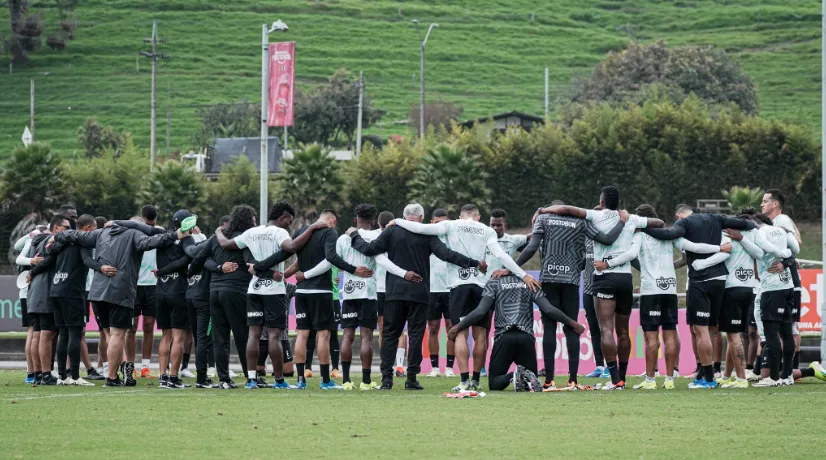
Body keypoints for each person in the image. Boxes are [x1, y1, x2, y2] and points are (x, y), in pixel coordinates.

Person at [391, 203, 539, 392]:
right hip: (481, 287)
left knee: (460, 332)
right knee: (480, 335)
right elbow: (501, 255)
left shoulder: (451, 224)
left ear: (461, 216)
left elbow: (421, 228)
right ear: (477, 217)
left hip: (458, 287)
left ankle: (464, 381)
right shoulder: (487, 230)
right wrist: (522, 274)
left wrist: (398, 221)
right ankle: (476, 379)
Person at [538, 186, 663, 390]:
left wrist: (543, 210)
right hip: (625, 279)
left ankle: (615, 379)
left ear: (602, 202)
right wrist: (634, 225)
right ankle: (623, 377)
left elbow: (567, 209)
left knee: (606, 328)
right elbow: (659, 223)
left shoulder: (595, 215)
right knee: (623, 331)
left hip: (604, 277)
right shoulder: (630, 218)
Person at [348, 203, 485, 391]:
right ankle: (411, 378)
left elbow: (370, 249)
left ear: (405, 216)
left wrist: (354, 235)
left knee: (389, 335)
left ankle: (386, 379)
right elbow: (446, 254)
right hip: (419, 293)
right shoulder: (426, 234)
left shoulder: (391, 231)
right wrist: (473, 263)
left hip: (394, 292)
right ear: (421, 218)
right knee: (415, 336)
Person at [52, 217, 185, 387]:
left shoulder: (100, 233)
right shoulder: (135, 234)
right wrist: (177, 234)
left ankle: (119, 369)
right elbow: (153, 241)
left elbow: (75, 235)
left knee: (109, 334)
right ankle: (112, 376)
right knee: (117, 334)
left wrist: (57, 236)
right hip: (120, 291)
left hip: (97, 293)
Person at [299, 203, 416, 390]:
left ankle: (345, 381)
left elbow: (329, 262)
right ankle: (366, 381)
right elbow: (382, 261)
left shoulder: (344, 239)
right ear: (373, 221)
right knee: (367, 336)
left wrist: (306, 274)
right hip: (369, 293)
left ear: (356, 220)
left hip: (349, 293)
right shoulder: (378, 236)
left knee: (347, 335)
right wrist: (404, 273)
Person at [640, 203, 757, 389]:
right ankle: (708, 373)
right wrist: (754, 226)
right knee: (712, 330)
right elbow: (744, 225)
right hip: (720, 280)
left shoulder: (684, 224)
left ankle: (708, 378)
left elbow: (670, 236)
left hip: (700, 281)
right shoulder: (716, 218)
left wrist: (640, 227)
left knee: (700, 331)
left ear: (679, 216)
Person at [254, 209, 370, 390]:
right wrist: (354, 269)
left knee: (302, 334)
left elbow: (298, 261)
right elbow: (331, 258)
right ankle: (325, 381)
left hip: (302, 293)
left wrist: (285, 274)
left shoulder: (301, 232)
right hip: (321, 291)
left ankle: (301, 380)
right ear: (332, 221)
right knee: (323, 335)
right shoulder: (329, 232)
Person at [515, 202, 625, 389]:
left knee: (549, 328)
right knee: (571, 327)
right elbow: (606, 240)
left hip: (549, 279)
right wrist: (622, 222)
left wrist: (514, 267)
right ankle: (573, 379)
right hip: (571, 281)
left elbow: (532, 247)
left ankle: (549, 380)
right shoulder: (580, 221)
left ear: (552, 208)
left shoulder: (543, 219)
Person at [214, 201, 321, 390]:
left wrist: (217, 231)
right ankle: (279, 380)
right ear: (283, 217)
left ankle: (251, 380)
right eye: (290, 220)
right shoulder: (279, 232)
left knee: (253, 335)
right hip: (274, 290)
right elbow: (292, 246)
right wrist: (311, 228)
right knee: (274, 335)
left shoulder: (251, 232)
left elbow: (225, 244)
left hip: (254, 289)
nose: (290, 224)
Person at [629, 205, 729, 390]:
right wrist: (718, 247)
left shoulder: (639, 236)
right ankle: (669, 379)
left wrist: (640, 266)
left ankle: (650, 380)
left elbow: (631, 255)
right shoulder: (670, 235)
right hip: (669, 290)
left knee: (651, 337)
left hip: (651, 290)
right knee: (670, 334)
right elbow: (691, 249)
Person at [447, 273, 586, 391]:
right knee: (531, 383)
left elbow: (480, 311)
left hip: (504, 338)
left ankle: (512, 376)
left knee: (495, 384)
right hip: (526, 338)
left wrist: (457, 327)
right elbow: (548, 309)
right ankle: (521, 376)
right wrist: (573, 324)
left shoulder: (494, 283)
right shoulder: (530, 282)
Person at [31, 214, 106, 386]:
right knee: (75, 333)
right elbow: (87, 260)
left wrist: (31, 273)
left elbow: (48, 260)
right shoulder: (82, 242)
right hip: (72, 292)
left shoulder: (61, 242)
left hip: (56, 290)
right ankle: (74, 375)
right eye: (94, 230)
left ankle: (63, 376)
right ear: (88, 229)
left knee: (63, 333)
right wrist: (101, 267)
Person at [188, 206, 259, 389]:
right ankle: (251, 377)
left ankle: (224, 379)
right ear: (246, 221)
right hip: (236, 291)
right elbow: (251, 262)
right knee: (243, 335)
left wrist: (213, 266)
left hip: (215, 292)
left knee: (220, 337)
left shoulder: (214, 239)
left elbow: (197, 261)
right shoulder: (245, 239)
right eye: (253, 219)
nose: (255, 223)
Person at [748, 214, 799, 387]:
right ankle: (787, 375)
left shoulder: (758, 233)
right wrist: (785, 261)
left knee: (771, 332)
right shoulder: (781, 230)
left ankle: (774, 378)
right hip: (788, 286)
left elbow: (762, 250)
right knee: (786, 331)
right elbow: (796, 250)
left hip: (772, 288)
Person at [761, 190, 804, 373]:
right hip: (777, 280)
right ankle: (786, 371)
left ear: (775, 204)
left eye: (765, 201)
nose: (761, 204)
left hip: (787, 281)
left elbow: (797, 243)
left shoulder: (782, 220)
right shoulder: (773, 223)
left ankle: (792, 370)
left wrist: (786, 262)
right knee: (784, 329)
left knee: (790, 329)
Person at [25, 216, 70, 386]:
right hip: (45, 291)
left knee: (37, 334)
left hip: (35, 292)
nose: (68, 230)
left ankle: (38, 373)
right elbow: (49, 257)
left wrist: (32, 271)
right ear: (56, 228)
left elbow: (34, 261)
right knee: (46, 334)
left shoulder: (35, 241)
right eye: (66, 227)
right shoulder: (50, 241)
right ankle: (45, 374)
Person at [425, 208, 455, 378]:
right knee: (433, 328)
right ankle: (435, 367)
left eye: (443, 223)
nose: (440, 226)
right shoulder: (426, 240)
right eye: (437, 223)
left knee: (452, 328)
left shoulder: (453, 239)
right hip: (432, 290)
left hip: (451, 289)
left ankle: (450, 368)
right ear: (431, 223)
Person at [132, 205, 160, 379]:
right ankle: (129, 366)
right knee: (131, 327)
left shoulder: (158, 233)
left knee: (149, 326)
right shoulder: (132, 235)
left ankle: (145, 367)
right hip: (134, 285)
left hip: (152, 284)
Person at [15, 227, 45, 384]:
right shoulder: (32, 242)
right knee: (33, 332)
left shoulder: (35, 241)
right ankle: (31, 371)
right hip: (29, 293)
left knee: (34, 332)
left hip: (31, 292)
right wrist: (32, 260)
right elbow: (18, 256)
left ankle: (34, 371)